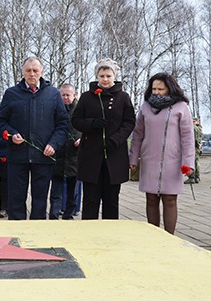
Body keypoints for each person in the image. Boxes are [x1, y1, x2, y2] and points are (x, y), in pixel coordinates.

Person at [0, 56, 69, 220]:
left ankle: (36, 240)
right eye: (28, 70)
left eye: (35, 70)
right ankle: (16, 238)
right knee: (15, 201)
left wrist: (54, 144)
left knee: (40, 202)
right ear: (23, 72)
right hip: (17, 157)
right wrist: (11, 134)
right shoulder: (11, 94)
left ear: (42, 72)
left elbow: (63, 125)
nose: (32, 74)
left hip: (43, 156)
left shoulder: (53, 94)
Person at [129, 72, 195, 234]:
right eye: (154, 89)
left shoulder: (181, 107)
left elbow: (188, 137)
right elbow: (138, 134)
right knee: (151, 198)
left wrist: (188, 163)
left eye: (160, 89)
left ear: (169, 89)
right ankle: (153, 236)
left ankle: (169, 237)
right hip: (149, 159)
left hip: (172, 161)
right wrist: (133, 158)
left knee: (170, 199)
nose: (156, 92)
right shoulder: (145, 107)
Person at [71, 58, 135, 220]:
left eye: (108, 75)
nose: (105, 79)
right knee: (90, 200)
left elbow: (129, 122)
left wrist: (116, 140)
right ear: (97, 77)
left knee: (111, 200)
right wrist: (92, 123)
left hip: (114, 154)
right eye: (101, 76)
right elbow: (75, 120)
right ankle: (88, 234)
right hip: (91, 155)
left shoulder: (123, 97)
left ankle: (110, 235)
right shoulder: (87, 97)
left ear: (114, 76)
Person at [49, 83, 82, 220]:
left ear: (74, 95)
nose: (65, 97)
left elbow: (88, 128)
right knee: (55, 190)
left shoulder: (81, 110)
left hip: (75, 156)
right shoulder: (55, 109)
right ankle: (53, 215)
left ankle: (68, 215)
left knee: (72, 190)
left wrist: (82, 139)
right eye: (62, 95)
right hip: (58, 155)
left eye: (68, 95)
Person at [185, 117, 202, 184]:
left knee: (191, 162)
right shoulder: (199, 128)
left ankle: (192, 177)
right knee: (196, 162)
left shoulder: (193, 128)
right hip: (197, 147)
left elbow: (194, 139)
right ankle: (197, 177)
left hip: (193, 147)